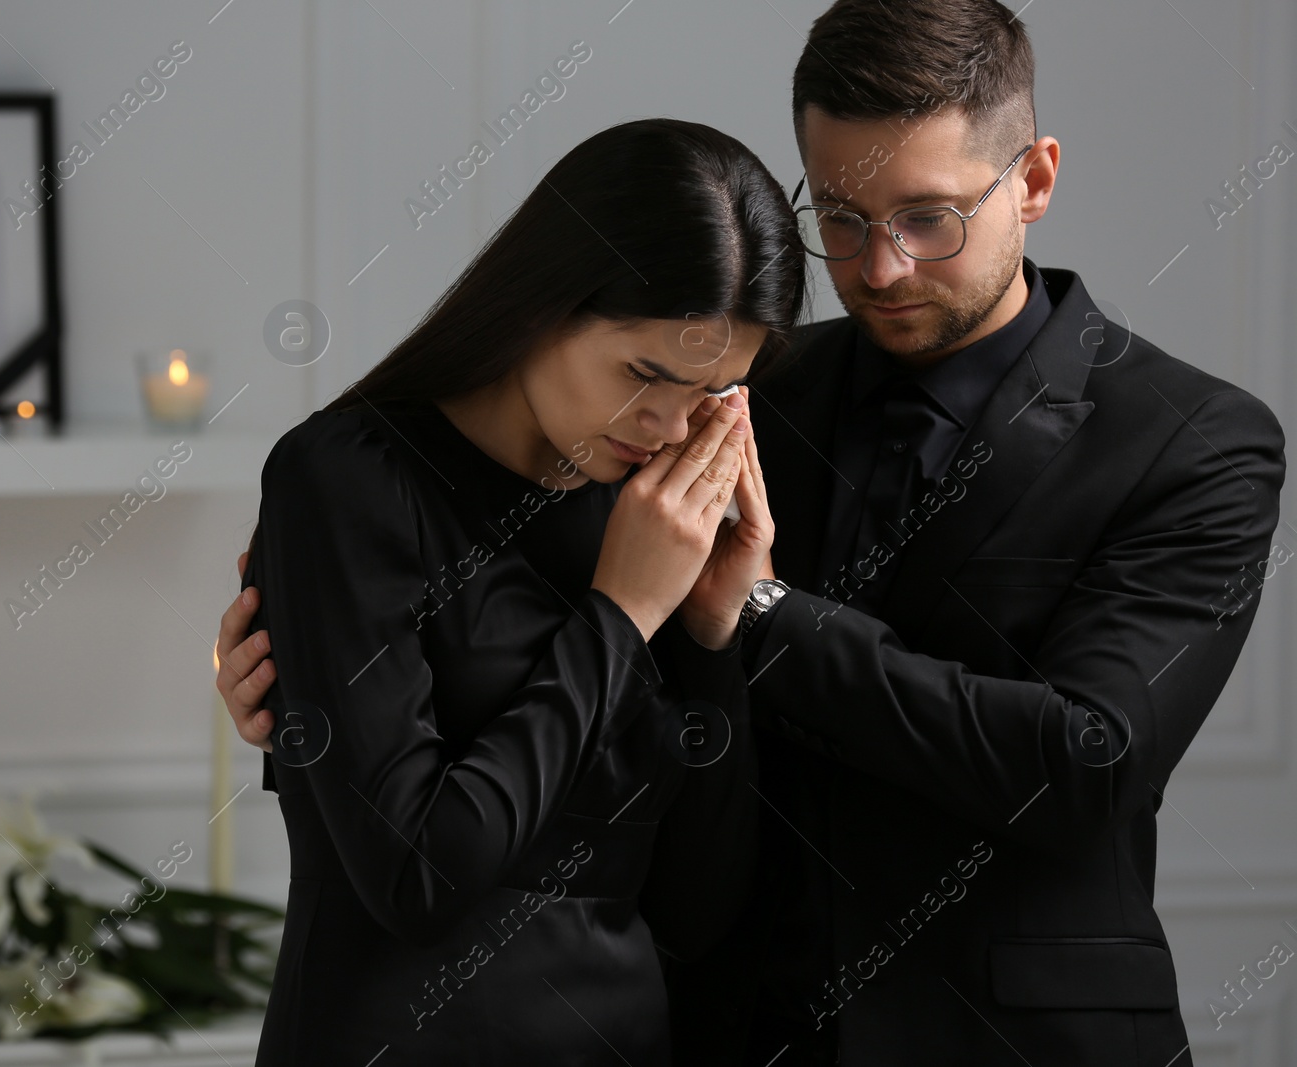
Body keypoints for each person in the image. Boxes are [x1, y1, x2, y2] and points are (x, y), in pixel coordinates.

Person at [221, 2, 1287, 1064]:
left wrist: (754, 612)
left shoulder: (1194, 441)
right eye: (842, 218)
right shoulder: (727, 400)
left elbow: (1085, 761)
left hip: (1014, 1033)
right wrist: (321, 702)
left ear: (1035, 181)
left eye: (928, 219)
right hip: (738, 1022)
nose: (878, 269)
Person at [219, 117, 805, 1065]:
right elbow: (419, 877)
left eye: (709, 394)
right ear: (545, 302)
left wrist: (708, 635)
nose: (664, 426)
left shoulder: (659, 514)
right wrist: (619, 617)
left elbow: (701, 907)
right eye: (642, 374)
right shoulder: (347, 478)